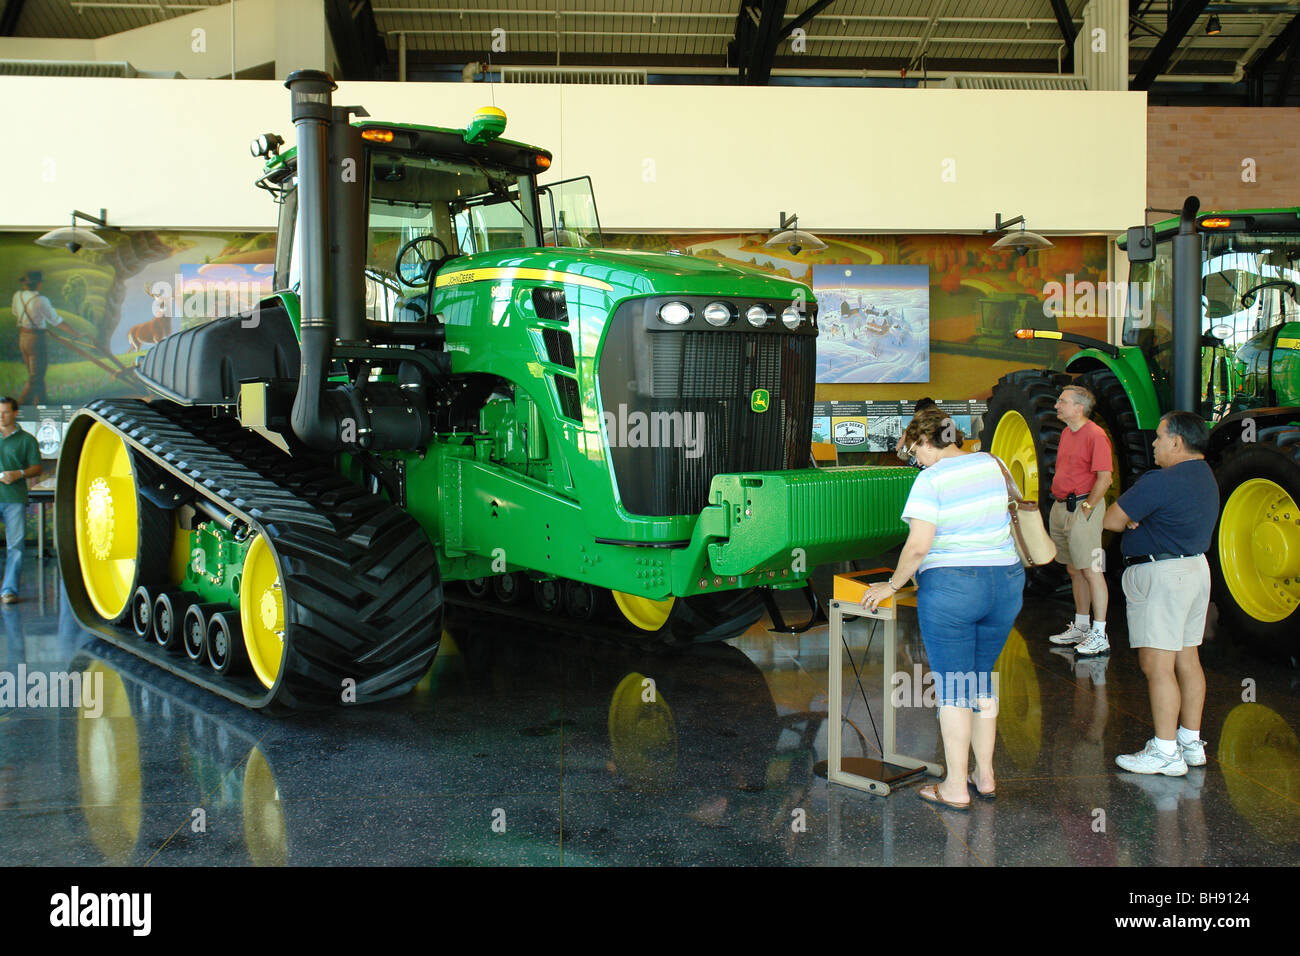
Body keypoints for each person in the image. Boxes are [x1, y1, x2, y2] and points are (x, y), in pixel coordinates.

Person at [862, 408, 1025, 809]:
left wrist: (893, 584)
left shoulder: (930, 479)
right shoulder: (993, 463)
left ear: (924, 441)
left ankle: (955, 787)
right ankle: (984, 775)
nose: (915, 459)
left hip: (953, 588)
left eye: (914, 450)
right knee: (981, 679)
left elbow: (918, 545)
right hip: (1005, 582)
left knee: (954, 687)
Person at [1102, 411, 1218, 776]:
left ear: (1177, 442)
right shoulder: (1205, 476)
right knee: (1188, 659)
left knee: (1157, 666)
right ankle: (1189, 741)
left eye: (1159, 437)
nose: (1154, 443)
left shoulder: (1161, 480)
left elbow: (1111, 520)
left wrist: (1135, 516)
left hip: (1163, 577)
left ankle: (1166, 752)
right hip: (1195, 571)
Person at [1046, 385, 1113, 657]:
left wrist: (1087, 508)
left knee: (1092, 571)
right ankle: (1082, 626)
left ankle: (1100, 633)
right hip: (1063, 506)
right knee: (1075, 570)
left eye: (1062, 401)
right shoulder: (1066, 432)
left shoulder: (1096, 435)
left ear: (1079, 408)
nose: (1056, 405)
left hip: (1084, 507)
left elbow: (1105, 478)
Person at [0, 397, 42, 604]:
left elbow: (37, 468)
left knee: (15, 547)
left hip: (14, 499)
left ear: (15, 413)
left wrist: (18, 474)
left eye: (5, 412)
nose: (1, 416)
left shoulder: (27, 440)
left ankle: (9, 590)